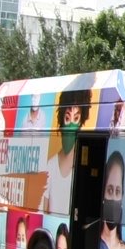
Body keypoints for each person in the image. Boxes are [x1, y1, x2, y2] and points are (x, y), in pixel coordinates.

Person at [38, 86, 90, 214]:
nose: (71, 125)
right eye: (67, 118)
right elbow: (44, 210)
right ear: (61, 121)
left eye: (76, 119)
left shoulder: (82, 167)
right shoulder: (50, 165)